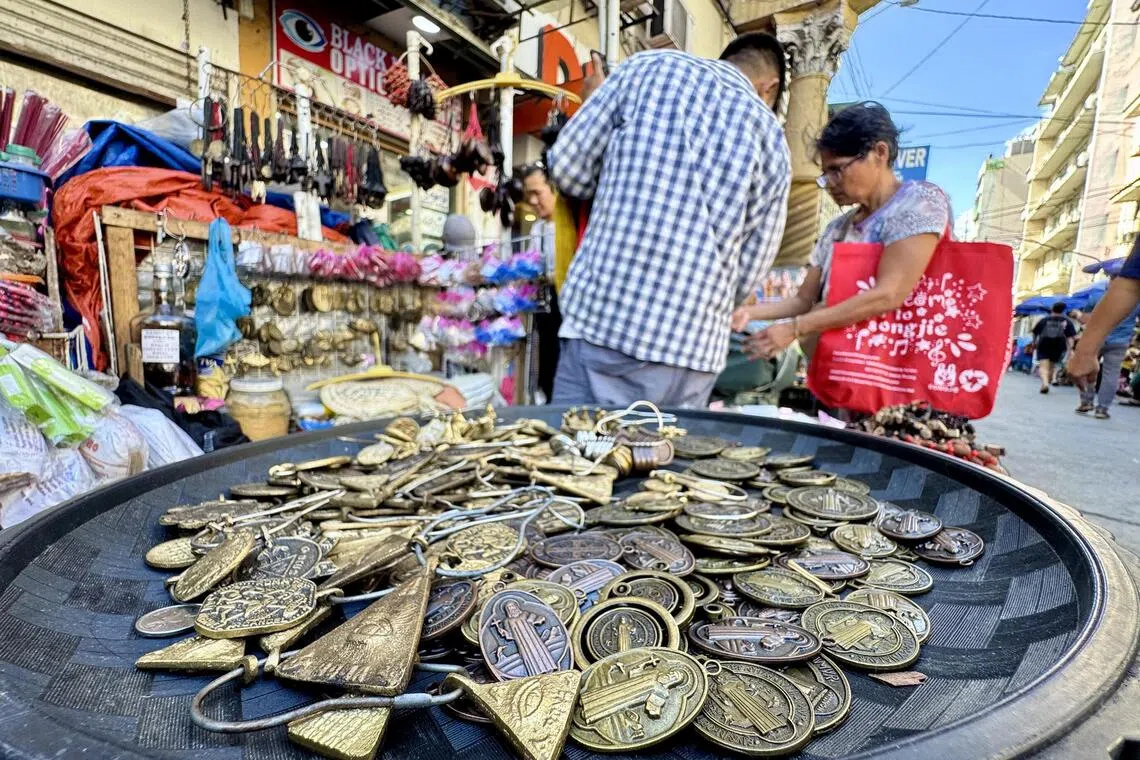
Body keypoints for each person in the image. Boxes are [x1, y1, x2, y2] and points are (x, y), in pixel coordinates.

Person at [546, 33, 791, 408]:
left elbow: (567, 169)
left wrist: (617, 192)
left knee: (581, 458)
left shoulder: (645, 69)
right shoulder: (773, 140)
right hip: (693, 351)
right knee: (665, 461)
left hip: (606, 323)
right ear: (769, 87)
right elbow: (751, 268)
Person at [732, 103, 952, 379]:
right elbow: (802, 300)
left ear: (879, 153)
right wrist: (748, 313)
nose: (831, 182)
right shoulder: (837, 229)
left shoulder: (919, 203)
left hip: (900, 375)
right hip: (843, 372)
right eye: (825, 174)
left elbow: (890, 294)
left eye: (838, 170)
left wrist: (795, 328)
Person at [521, 164, 578, 403]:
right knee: (546, 365)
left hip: (570, 306)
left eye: (538, 193)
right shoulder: (538, 230)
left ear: (553, 188)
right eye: (529, 195)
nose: (534, 200)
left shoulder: (573, 224)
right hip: (546, 307)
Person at [1067, 239, 1140, 418]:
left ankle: (1086, 402)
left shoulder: (1097, 295)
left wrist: (1084, 349)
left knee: (1090, 371)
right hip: (1120, 341)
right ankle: (1102, 408)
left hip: (1101, 337)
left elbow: (1088, 318)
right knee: (1110, 375)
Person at [1030, 301, 1076, 394]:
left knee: (1043, 365)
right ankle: (1049, 380)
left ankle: (1045, 383)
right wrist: (1071, 349)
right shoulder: (1067, 321)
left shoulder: (1044, 320)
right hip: (1059, 345)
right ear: (1063, 310)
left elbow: (1035, 333)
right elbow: (1071, 337)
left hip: (1044, 343)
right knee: (1052, 365)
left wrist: (1034, 343)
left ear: (1052, 309)